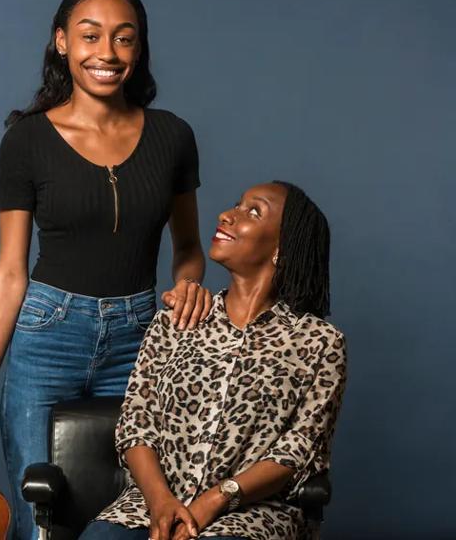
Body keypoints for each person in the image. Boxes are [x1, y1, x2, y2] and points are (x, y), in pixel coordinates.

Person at [0, 0, 212, 540]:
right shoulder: (27, 140)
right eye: (91, 36)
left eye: (124, 39)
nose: (107, 54)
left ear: (138, 49)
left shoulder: (173, 136)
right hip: (47, 335)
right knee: (36, 512)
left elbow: (189, 250)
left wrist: (189, 285)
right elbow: (10, 272)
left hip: (141, 338)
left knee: (137, 513)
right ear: (63, 42)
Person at [80, 181, 347, 540]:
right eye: (236, 204)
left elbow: (297, 451)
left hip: (251, 516)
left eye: (254, 212)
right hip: (148, 506)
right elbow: (136, 424)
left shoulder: (319, 343)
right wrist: (161, 503)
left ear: (281, 249)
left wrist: (217, 498)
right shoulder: (177, 320)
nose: (227, 215)